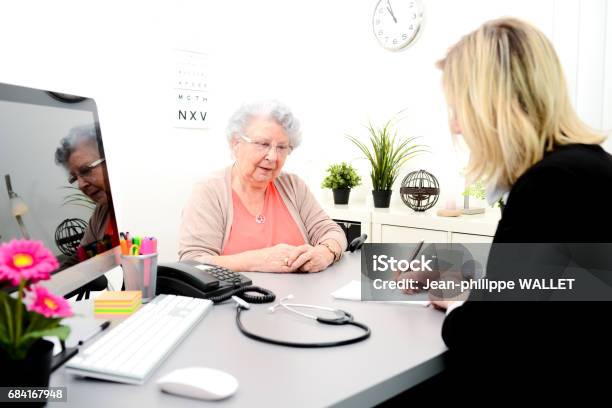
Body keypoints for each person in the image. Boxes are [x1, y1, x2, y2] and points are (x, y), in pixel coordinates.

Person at [417, 17, 612, 400]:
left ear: (490, 107)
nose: (455, 126)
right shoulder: (589, 167)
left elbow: (488, 337)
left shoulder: (550, 184)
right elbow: (547, 294)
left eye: (458, 108)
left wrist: (459, 306)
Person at [179, 100, 347, 273]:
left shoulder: (293, 185)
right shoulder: (209, 191)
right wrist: (256, 261)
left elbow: (332, 232)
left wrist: (325, 253)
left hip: (300, 299)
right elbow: (193, 263)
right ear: (236, 143)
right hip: (238, 299)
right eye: (263, 144)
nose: (273, 156)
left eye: (282, 147)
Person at [55, 124, 116, 251]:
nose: (81, 185)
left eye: (86, 170)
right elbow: (81, 256)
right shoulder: (102, 212)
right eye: (74, 178)